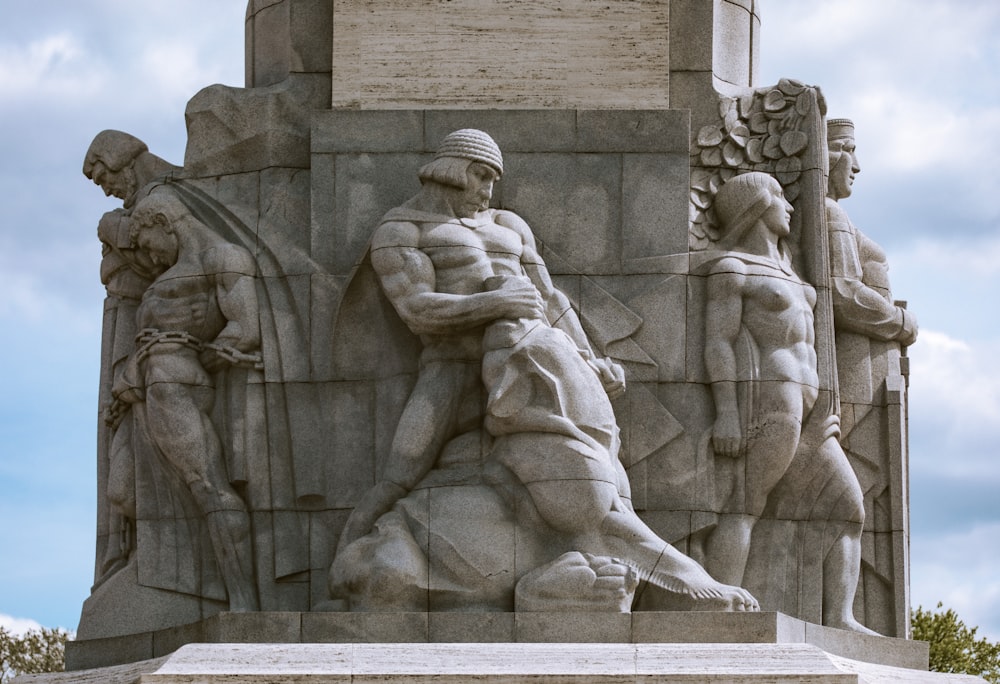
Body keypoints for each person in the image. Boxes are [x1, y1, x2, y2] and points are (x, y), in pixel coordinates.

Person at [336, 129, 758, 610]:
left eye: (494, 178)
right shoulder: (402, 229)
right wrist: (494, 302)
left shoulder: (509, 227)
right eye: (481, 175)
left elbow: (551, 300)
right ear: (451, 168)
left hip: (534, 355)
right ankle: (342, 563)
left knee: (600, 471)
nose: (488, 188)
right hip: (451, 370)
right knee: (400, 472)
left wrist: (587, 359)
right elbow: (417, 310)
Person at [703, 172, 874, 632]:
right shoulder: (733, 268)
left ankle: (840, 618)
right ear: (754, 206)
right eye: (779, 197)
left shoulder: (793, 271)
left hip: (812, 409)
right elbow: (718, 342)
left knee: (849, 508)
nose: (790, 207)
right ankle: (717, 607)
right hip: (771, 399)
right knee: (745, 505)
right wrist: (728, 414)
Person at [113, 190, 262, 611]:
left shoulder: (222, 257)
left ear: (162, 221)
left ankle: (243, 601)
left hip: (175, 382)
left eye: (147, 245)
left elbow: (244, 327)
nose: (151, 259)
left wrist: (184, 354)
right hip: (149, 388)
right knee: (121, 493)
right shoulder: (177, 267)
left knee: (209, 487)